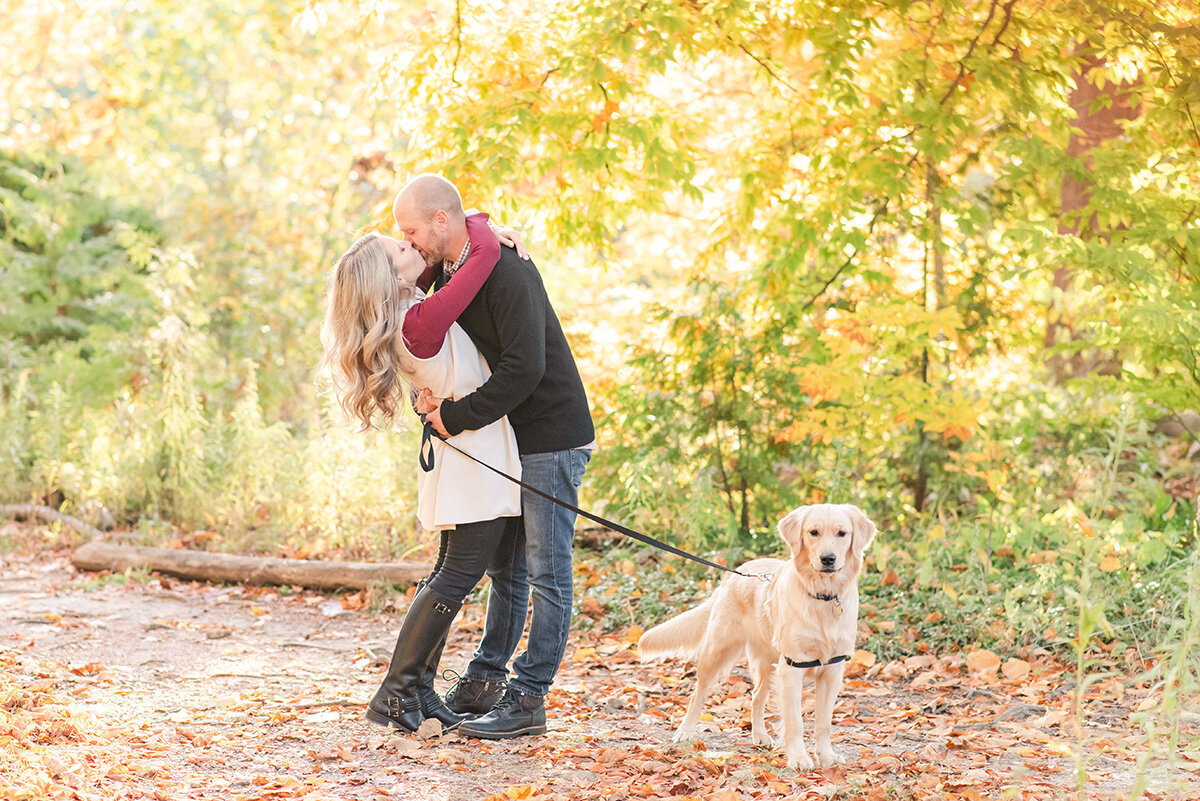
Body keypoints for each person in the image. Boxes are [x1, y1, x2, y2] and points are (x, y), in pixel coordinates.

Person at [393, 174, 595, 739]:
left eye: (412, 231)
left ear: (439, 221)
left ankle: (529, 697)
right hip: (513, 436)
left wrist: (455, 418)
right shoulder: (459, 266)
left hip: (551, 434)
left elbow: (525, 368)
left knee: (545, 572)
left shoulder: (508, 271)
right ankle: (485, 680)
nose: (409, 244)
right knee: (506, 572)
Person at [319, 213, 523, 733]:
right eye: (403, 250)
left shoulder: (412, 311)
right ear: (392, 279)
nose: (414, 248)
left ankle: (419, 690)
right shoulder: (420, 321)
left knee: (448, 575)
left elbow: (452, 265)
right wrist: (478, 224)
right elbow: (481, 261)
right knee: (456, 577)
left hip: (467, 455)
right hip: (474, 459)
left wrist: (468, 230)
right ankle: (393, 695)